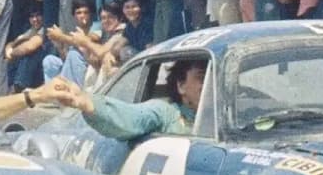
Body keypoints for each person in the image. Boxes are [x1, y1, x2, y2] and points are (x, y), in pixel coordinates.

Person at [38, 60, 205, 141]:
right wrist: (86, 101)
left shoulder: (219, 119)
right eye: (202, 78)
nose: (210, 84)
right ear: (181, 86)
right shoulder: (167, 112)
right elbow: (133, 117)